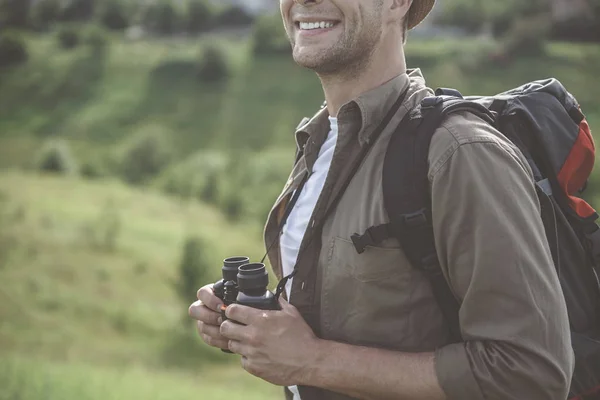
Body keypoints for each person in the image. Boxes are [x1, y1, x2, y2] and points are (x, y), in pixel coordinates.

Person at [189, 0, 575, 399]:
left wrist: (312, 360)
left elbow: (530, 375)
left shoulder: (459, 153)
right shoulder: (320, 142)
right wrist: (250, 325)